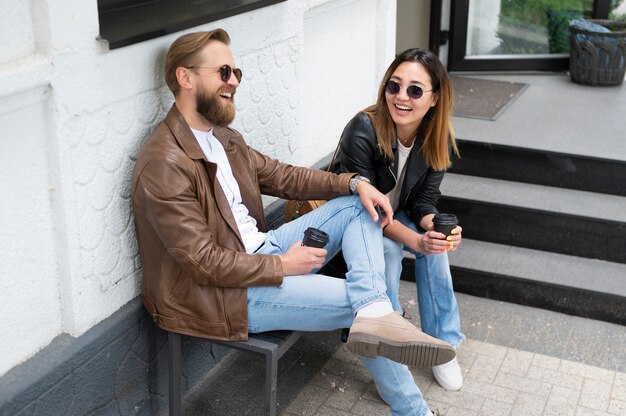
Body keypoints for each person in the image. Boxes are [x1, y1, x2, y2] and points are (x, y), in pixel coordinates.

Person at [131, 29, 455, 416]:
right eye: (223, 72)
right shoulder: (164, 163)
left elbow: (285, 177)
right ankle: (412, 406)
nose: (234, 81)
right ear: (186, 78)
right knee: (365, 306)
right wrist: (282, 266)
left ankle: (376, 311)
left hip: (260, 252)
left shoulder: (221, 138)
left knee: (359, 205)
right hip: (224, 294)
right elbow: (202, 261)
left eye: (236, 72)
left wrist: (354, 182)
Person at [337, 48, 465, 391]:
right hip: (352, 220)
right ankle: (390, 351)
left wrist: (435, 229)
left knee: (436, 249)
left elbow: (423, 202)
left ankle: (445, 344)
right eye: (394, 86)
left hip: (396, 216)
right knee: (392, 252)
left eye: (415, 90)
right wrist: (415, 240)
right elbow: (366, 209)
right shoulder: (362, 129)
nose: (401, 97)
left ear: (435, 98)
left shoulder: (436, 138)